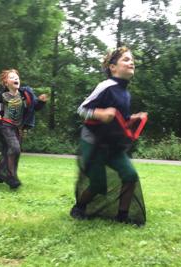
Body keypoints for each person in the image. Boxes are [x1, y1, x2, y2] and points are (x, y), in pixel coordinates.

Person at [70, 47, 148, 225]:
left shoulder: (125, 93)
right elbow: (82, 109)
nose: (131, 62)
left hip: (113, 145)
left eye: (132, 60)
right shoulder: (106, 86)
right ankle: (79, 208)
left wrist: (134, 118)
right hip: (94, 142)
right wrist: (101, 113)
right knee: (98, 184)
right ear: (113, 67)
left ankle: (122, 216)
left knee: (130, 175)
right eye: (126, 60)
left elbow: (120, 119)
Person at [0, 69, 47, 189]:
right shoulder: (0, 96)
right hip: (4, 126)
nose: (16, 79)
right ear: (6, 83)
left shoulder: (26, 94)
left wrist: (41, 102)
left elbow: (34, 106)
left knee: (10, 152)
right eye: (12, 77)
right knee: (15, 149)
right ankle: (12, 177)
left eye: (17, 77)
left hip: (18, 128)